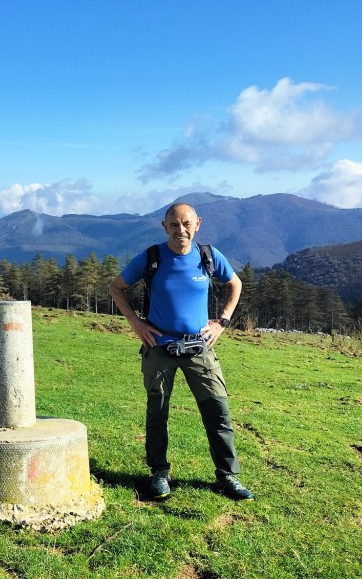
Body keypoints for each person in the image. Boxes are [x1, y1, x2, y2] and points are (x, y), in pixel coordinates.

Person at [109, 202, 254, 501]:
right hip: (158, 347)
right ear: (164, 227)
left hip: (200, 347)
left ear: (198, 223)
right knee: (157, 413)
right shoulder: (151, 257)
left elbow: (235, 283)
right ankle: (159, 472)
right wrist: (136, 323)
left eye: (186, 224)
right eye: (174, 224)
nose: (181, 230)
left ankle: (227, 475)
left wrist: (222, 322)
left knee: (218, 410)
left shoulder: (208, 256)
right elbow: (116, 287)